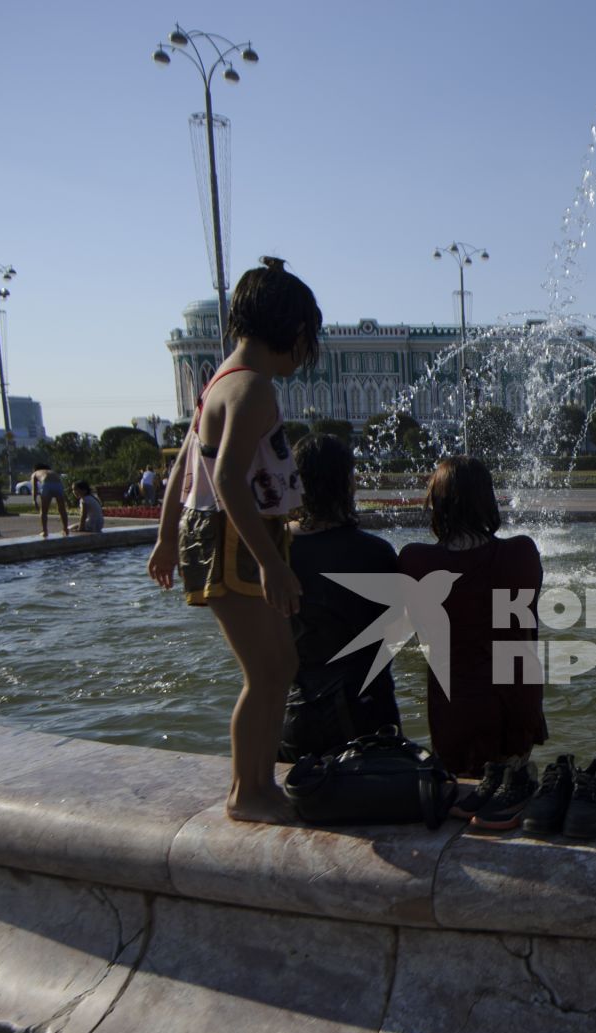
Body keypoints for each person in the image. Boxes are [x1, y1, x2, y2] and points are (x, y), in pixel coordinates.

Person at [147, 256, 318, 823]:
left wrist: (167, 536)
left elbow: (183, 467)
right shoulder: (253, 391)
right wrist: (271, 564)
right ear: (292, 333)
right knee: (266, 671)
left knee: (282, 663)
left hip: (223, 537)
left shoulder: (220, 380)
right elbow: (224, 481)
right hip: (236, 542)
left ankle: (259, 784)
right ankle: (249, 793)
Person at [399, 457, 547, 830]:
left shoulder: (415, 561)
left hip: (455, 712)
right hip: (517, 708)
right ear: (488, 501)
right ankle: (511, 794)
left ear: (437, 503)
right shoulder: (521, 553)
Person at [281, 433, 401, 761]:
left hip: (298, 719)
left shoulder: (275, 556)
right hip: (369, 719)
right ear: (347, 484)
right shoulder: (375, 553)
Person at [28, 460, 70, 538]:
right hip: (58, 485)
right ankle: (65, 529)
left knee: (44, 511)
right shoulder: (52, 472)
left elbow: (34, 488)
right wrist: (66, 500)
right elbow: (61, 485)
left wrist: (34, 500)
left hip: (47, 484)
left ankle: (45, 531)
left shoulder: (35, 473)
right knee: (62, 510)